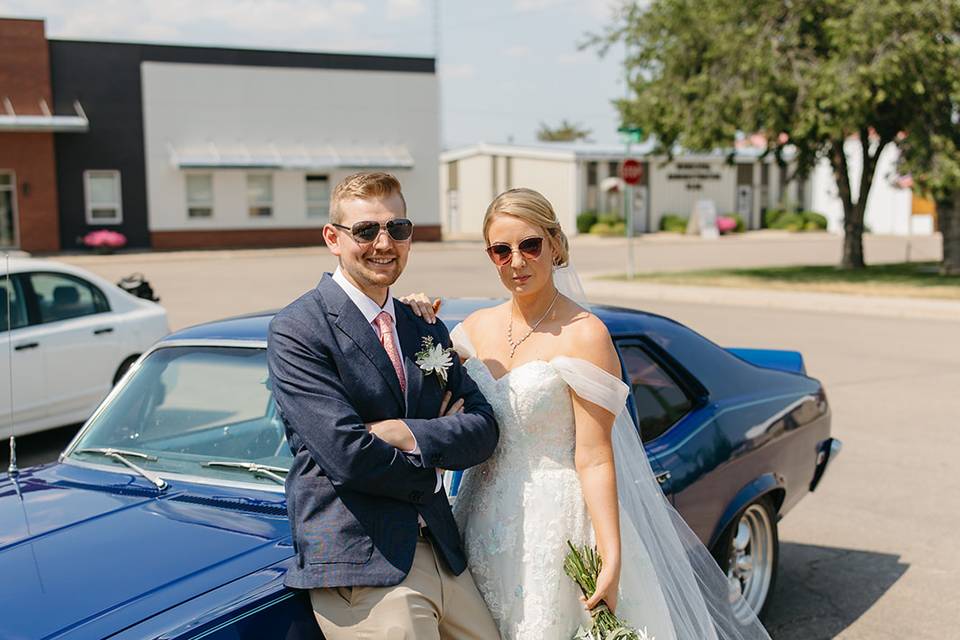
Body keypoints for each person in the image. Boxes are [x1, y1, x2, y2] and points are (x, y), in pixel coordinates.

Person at [402, 188, 774, 640]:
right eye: (502, 250)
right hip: (477, 521)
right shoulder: (474, 329)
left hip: (555, 529)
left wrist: (610, 555)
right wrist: (413, 322)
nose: (517, 261)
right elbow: (423, 404)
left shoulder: (586, 335)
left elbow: (595, 456)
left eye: (530, 245)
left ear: (555, 244)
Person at [267, 172, 501, 639]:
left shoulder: (424, 326)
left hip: (443, 552)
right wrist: (435, 460)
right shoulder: (299, 329)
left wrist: (405, 433)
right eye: (366, 230)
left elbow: (484, 428)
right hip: (363, 564)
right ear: (333, 238)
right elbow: (347, 454)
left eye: (397, 229)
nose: (383, 243)